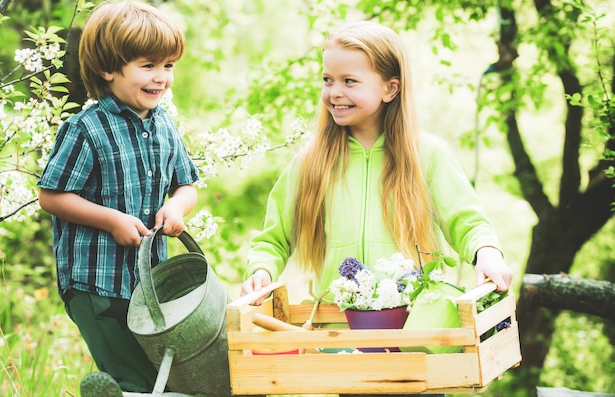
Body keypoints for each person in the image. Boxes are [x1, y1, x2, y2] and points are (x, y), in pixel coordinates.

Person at [240, 20, 513, 397]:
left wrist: (487, 252)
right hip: (340, 341)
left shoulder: (426, 156)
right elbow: (273, 238)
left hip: (416, 338)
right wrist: (261, 270)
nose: (334, 92)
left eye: (349, 81)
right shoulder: (311, 162)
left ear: (390, 88)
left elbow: (468, 222)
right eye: (327, 80)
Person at [37, 1, 199, 394]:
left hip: (148, 284)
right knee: (132, 373)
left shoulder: (163, 125)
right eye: (148, 65)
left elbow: (187, 185)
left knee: (162, 372)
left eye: (169, 66)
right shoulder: (86, 129)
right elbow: (52, 196)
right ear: (109, 69)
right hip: (96, 284)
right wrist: (112, 219)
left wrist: (175, 207)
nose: (161, 77)